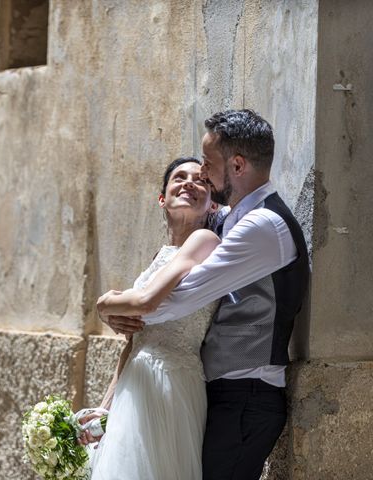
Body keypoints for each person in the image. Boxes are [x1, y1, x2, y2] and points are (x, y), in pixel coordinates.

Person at [104, 109, 310, 480]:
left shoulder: (263, 225)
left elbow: (175, 301)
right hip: (220, 392)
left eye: (207, 162)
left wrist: (107, 306)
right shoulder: (232, 216)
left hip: (247, 394)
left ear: (237, 165)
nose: (200, 172)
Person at [78, 157, 220, 479]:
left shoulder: (205, 241)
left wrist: (105, 303)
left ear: (213, 205)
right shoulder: (161, 256)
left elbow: (145, 302)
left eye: (200, 181)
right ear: (162, 198)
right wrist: (105, 408)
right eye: (179, 178)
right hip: (136, 381)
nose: (188, 183)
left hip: (170, 381)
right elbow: (134, 342)